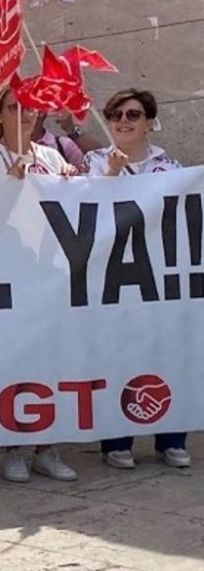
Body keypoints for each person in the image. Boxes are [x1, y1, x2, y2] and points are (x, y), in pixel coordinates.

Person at [0, 86, 80, 483]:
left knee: (49, 361)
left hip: (48, 272)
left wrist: (71, 180)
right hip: (6, 274)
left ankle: (47, 448)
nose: (23, 113)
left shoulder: (50, 156)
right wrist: (4, 189)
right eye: (14, 107)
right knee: (14, 362)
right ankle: (13, 447)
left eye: (30, 106)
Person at [83, 89, 189, 469]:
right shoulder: (94, 162)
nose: (123, 121)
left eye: (133, 114)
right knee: (118, 357)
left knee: (167, 354)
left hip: (160, 277)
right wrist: (110, 175)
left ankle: (171, 438)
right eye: (115, 114)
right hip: (114, 277)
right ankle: (117, 440)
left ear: (148, 121)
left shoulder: (171, 166)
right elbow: (82, 214)